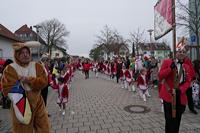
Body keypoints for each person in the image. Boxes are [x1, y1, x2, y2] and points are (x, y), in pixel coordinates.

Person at [1, 43, 51, 133]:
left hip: (38, 103)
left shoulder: (37, 66)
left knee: (44, 128)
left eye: (27, 52)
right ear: (17, 55)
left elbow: (44, 82)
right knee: (23, 130)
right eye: (22, 53)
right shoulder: (10, 69)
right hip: (20, 105)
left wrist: (28, 80)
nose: (25, 55)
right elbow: (6, 89)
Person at [158, 42, 192, 133]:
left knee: (177, 122)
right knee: (169, 121)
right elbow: (160, 76)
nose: (181, 53)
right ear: (175, 52)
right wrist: (170, 68)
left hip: (180, 97)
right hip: (168, 96)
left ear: (185, 54)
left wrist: (180, 90)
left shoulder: (187, 66)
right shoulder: (167, 62)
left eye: (183, 52)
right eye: (179, 51)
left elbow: (188, 82)